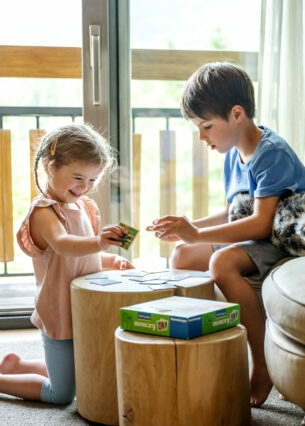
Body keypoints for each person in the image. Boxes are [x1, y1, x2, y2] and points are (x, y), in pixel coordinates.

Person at [147, 62, 305, 407]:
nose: (202, 137)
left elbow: (261, 223)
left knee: (222, 262)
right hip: (259, 236)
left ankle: (261, 363)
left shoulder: (272, 153)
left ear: (237, 114)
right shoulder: (233, 154)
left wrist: (196, 234)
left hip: (283, 240)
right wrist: (188, 229)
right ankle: (199, 348)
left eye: (206, 126)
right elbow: (235, 212)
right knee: (183, 256)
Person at [0, 123, 134, 404]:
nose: (85, 187)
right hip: (59, 308)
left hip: (83, 306)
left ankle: (18, 366)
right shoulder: (44, 211)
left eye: (93, 180)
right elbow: (62, 245)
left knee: (82, 370)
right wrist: (99, 242)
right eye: (77, 177)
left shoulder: (83, 207)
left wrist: (110, 260)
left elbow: (84, 255)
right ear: (50, 167)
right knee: (61, 394)